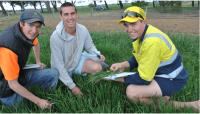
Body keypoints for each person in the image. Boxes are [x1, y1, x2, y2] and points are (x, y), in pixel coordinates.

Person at [110, 6, 200, 111]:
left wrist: (115, 77)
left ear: (143, 21)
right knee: (134, 85)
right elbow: (139, 56)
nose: (129, 29)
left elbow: (144, 79)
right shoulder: (144, 32)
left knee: (131, 92)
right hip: (164, 73)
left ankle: (187, 105)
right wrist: (123, 65)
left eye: (133, 24)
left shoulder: (151, 41)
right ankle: (161, 96)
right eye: (126, 25)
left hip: (173, 78)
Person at [0, 10, 59, 109]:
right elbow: (12, 84)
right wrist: (38, 101)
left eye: (38, 26)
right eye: (31, 25)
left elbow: (36, 44)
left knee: (53, 74)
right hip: (5, 85)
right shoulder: (8, 49)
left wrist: (38, 61)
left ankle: (45, 94)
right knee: (25, 105)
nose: (35, 30)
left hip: (19, 73)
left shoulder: (28, 34)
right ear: (22, 23)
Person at [50, 2, 106, 96]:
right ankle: (101, 67)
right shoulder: (55, 37)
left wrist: (97, 54)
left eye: (72, 13)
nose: (70, 17)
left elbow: (90, 46)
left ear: (76, 14)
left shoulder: (82, 29)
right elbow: (59, 64)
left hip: (77, 60)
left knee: (98, 67)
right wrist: (73, 87)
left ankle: (93, 90)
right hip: (63, 67)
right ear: (61, 16)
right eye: (66, 14)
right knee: (61, 81)